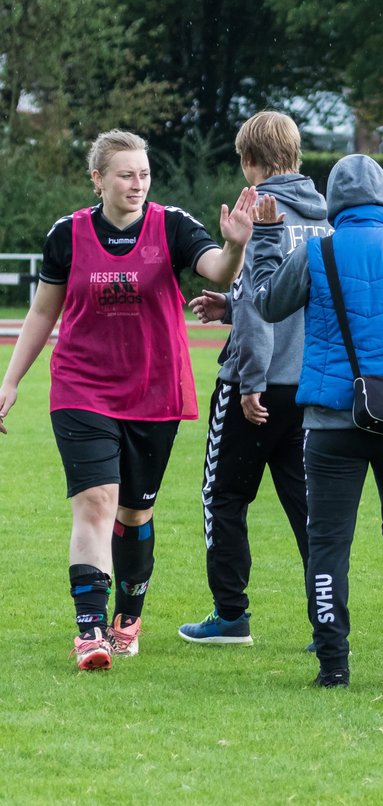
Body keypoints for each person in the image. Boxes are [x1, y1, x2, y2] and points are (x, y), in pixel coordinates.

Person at [0, 129, 248, 670]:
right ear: (98, 179)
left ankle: (126, 619)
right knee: (95, 504)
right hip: (82, 387)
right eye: (125, 175)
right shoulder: (67, 235)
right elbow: (44, 312)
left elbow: (217, 271)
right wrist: (11, 380)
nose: (137, 185)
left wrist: (234, 245)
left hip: (155, 391)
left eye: (144, 175)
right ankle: (89, 633)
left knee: (134, 515)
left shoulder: (173, 225)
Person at [248, 154, 383, 688]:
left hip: (330, 423)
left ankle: (333, 661)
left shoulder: (319, 251)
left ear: (335, 202)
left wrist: (269, 238)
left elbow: (268, 305)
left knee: (328, 542)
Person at [178, 112, 331, 646]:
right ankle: (324, 622)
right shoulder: (327, 217)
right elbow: (296, 298)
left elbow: (260, 311)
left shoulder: (258, 210)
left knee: (222, 496)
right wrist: (230, 303)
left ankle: (231, 615)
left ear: (250, 161)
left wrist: (248, 380)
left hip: (259, 383)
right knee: (311, 510)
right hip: (312, 387)